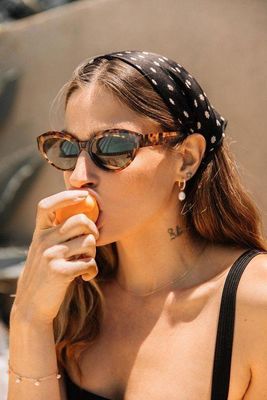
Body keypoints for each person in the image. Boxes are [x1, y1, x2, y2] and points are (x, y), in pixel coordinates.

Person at [7, 50, 267, 400]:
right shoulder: (72, 296)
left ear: (186, 159)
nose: (79, 177)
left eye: (114, 145)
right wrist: (28, 318)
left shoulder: (254, 303)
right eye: (68, 149)